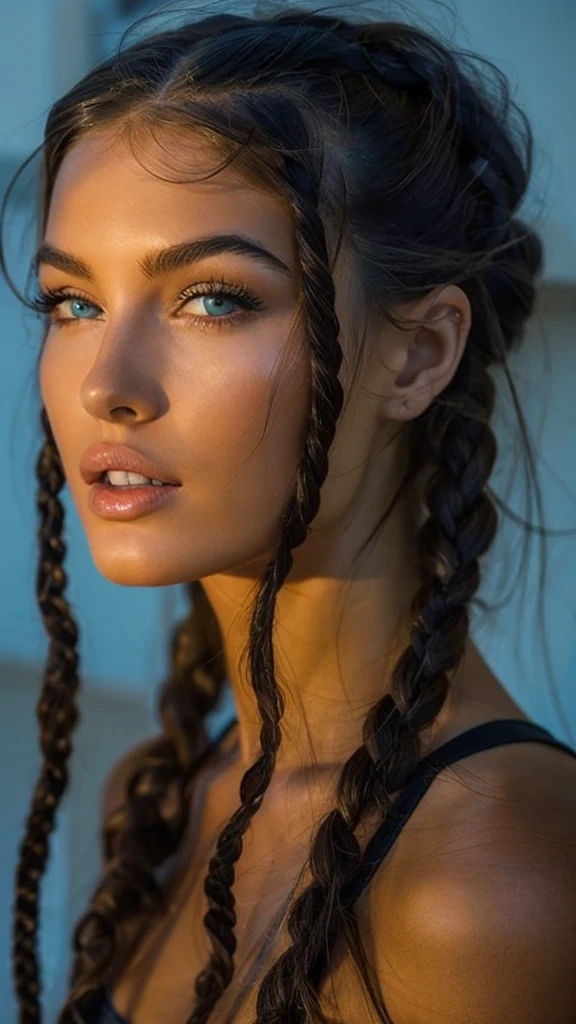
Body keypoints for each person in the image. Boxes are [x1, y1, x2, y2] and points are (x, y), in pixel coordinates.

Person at [4, 4, 576, 1023]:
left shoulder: (496, 887)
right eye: (73, 304)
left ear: (420, 353)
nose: (108, 387)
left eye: (214, 299)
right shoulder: (160, 805)